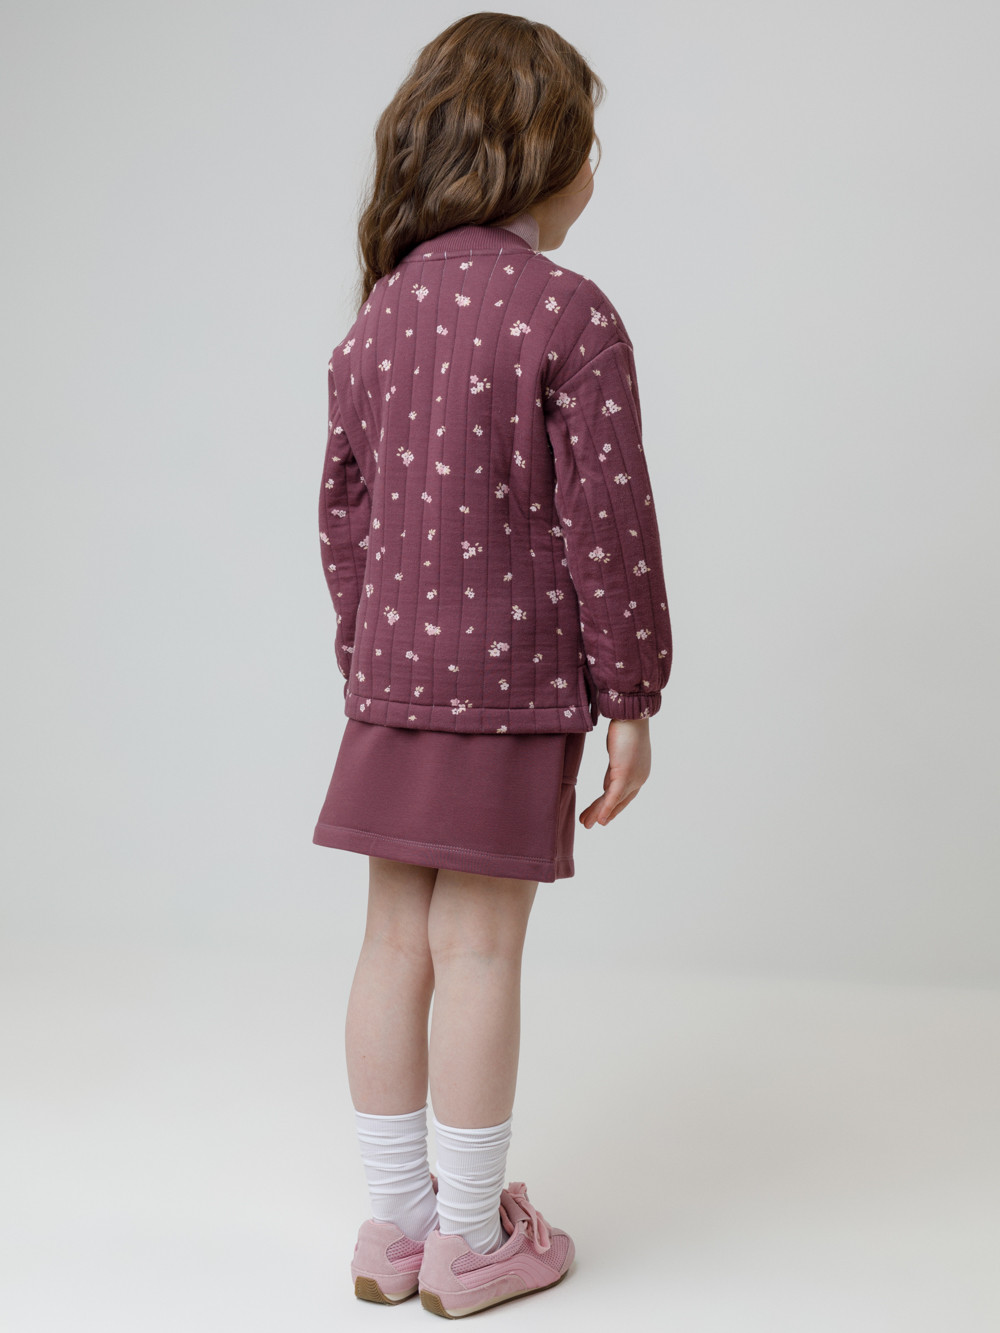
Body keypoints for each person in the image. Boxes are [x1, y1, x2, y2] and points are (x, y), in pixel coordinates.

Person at [312, 12, 673, 1318]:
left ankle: (393, 1229)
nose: (594, 173)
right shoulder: (568, 313)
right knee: (475, 953)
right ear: (538, 154)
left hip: (391, 682)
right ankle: (472, 1239)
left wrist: (366, 658)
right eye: (588, 146)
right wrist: (632, 694)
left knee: (389, 944)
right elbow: (608, 522)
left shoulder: (380, 317)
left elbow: (342, 515)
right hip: (513, 689)